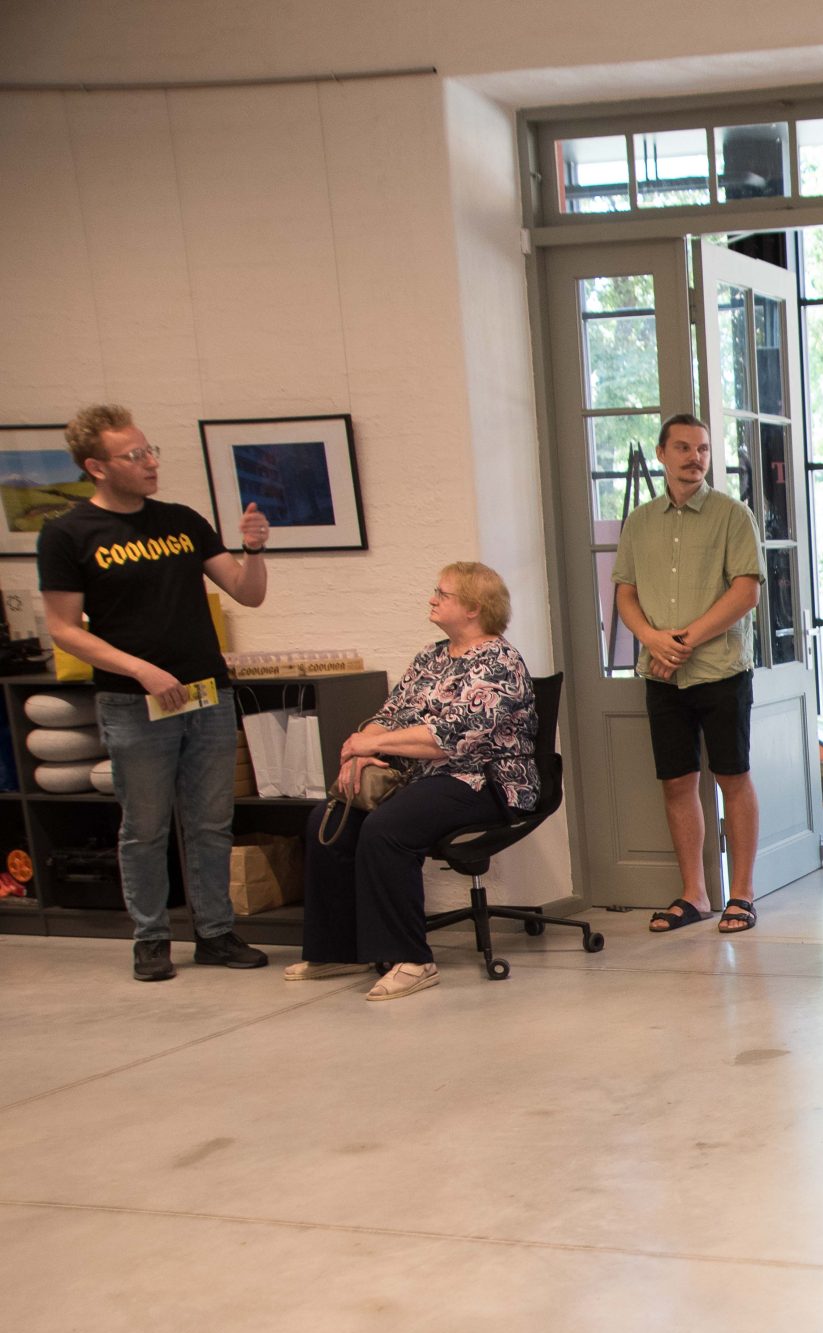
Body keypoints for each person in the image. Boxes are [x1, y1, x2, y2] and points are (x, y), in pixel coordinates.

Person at [37, 405, 273, 982]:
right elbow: (64, 629)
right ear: (96, 466)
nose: (150, 463)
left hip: (205, 693)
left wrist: (253, 550)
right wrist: (141, 670)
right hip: (133, 701)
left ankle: (215, 933)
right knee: (145, 827)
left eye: (150, 451)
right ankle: (151, 938)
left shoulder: (181, 520)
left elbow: (247, 594)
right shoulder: (68, 533)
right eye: (134, 455)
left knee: (211, 822)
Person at [288, 563, 538, 1002]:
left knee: (388, 828)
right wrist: (362, 748)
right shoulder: (430, 657)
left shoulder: (499, 662)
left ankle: (412, 960)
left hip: (486, 781)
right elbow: (391, 715)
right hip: (424, 777)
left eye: (443, 594)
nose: (432, 599)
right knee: (326, 822)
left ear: (474, 608)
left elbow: (449, 737)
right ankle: (339, 950)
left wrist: (371, 744)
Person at [612, 413, 763, 937]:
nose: (694, 457)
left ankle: (741, 894)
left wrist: (681, 642)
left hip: (721, 671)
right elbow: (625, 593)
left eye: (702, 449)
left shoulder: (733, 515)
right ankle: (694, 895)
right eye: (682, 447)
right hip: (662, 677)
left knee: (732, 779)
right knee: (677, 783)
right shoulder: (640, 522)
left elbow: (746, 592)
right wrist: (651, 640)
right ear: (661, 454)